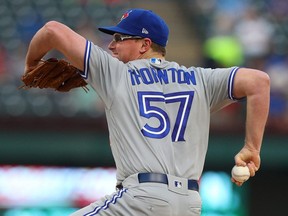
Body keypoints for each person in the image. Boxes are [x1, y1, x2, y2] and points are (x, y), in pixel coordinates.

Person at [24, 8, 270, 216]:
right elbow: (259, 82)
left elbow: (52, 30)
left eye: (120, 37)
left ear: (145, 44)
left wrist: (30, 66)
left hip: (140, 199)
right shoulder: (200, 79)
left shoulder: (117, 73)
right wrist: (252, 148)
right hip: (190, 204)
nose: (111, 45)